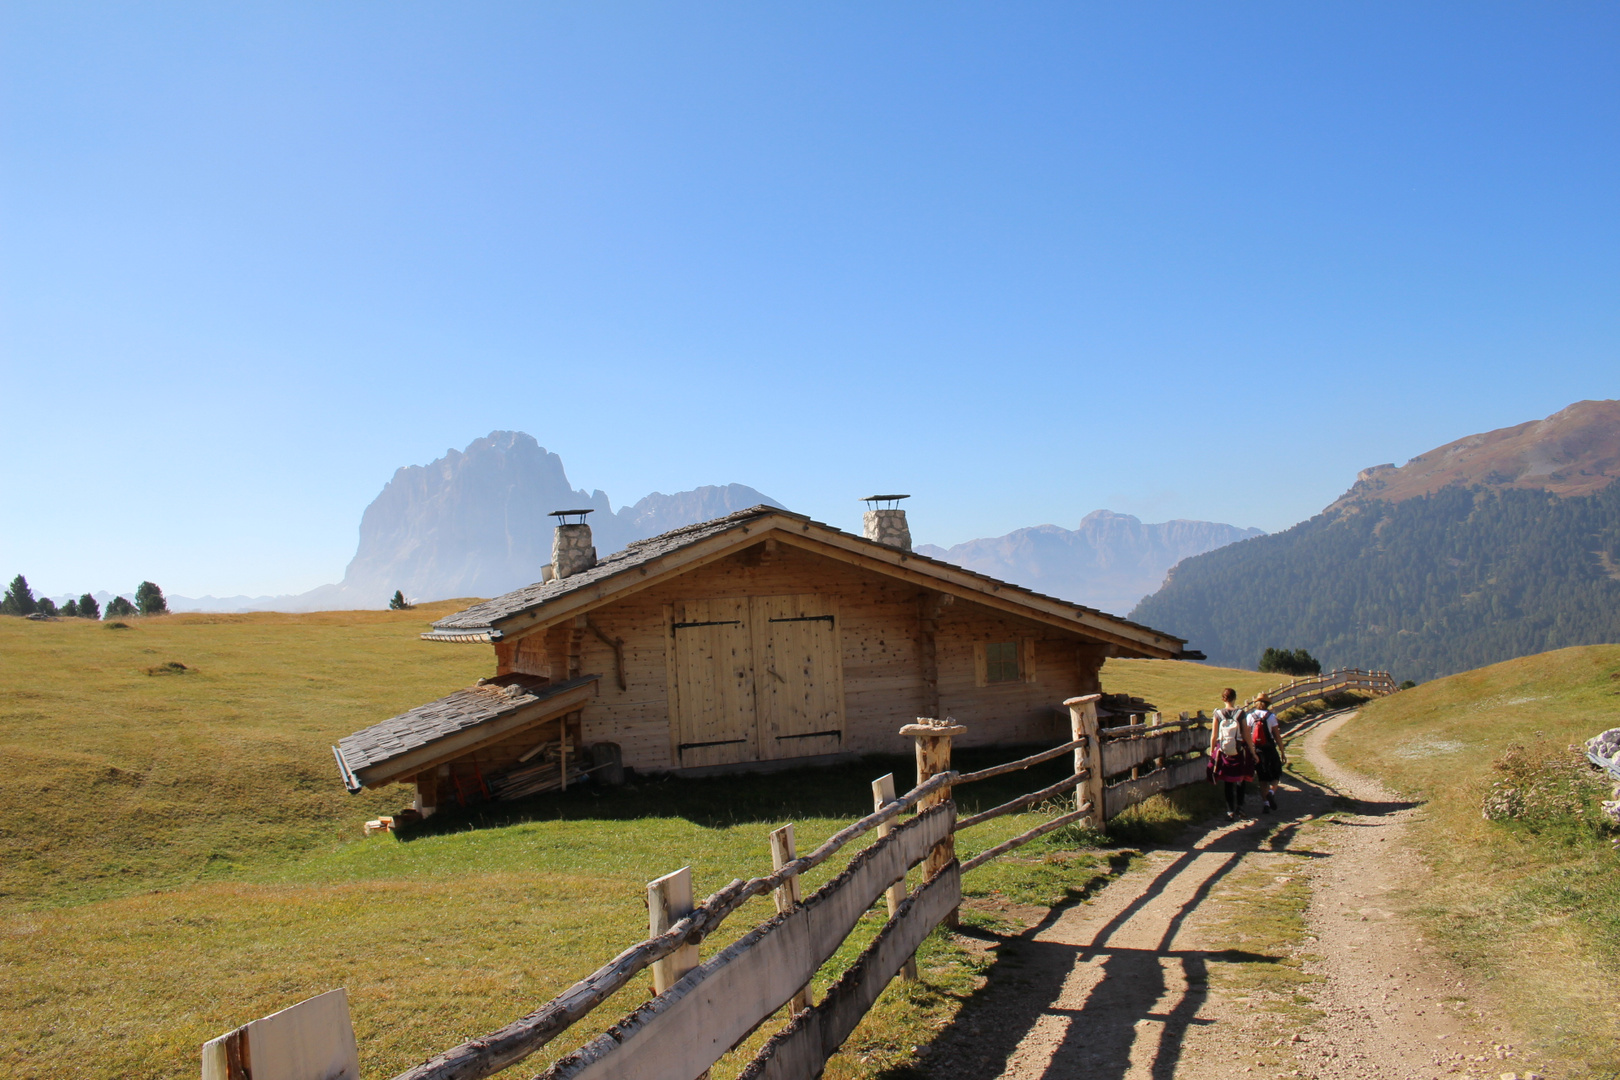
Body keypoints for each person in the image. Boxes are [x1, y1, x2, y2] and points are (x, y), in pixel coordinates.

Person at [1208, 687, 1256, 821]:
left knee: (1228, 781)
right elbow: (1246, 735)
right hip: (1239, 750)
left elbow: (1214, 735)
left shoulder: (1218, 714)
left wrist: (1212, 752)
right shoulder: (1240, 714)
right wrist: (1252, 752)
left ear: (1223, 699)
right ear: (1234, 698)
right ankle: (1240, 807)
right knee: (1241, 778)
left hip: (1224, 751)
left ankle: (1229, 811)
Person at [1248, 693, 1287, 813]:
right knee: (1276, 774)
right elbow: (1277, 736)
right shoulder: (1271, 717)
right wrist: (1282, 751)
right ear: (1268, 704)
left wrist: (1250, 751)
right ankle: (1271, 792)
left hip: (1257, 750)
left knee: (1262, 778)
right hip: (1269, 749)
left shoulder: (1250, 716)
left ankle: (1265, 804)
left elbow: (1247, 735)